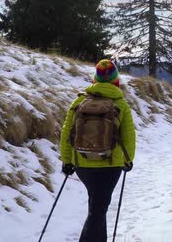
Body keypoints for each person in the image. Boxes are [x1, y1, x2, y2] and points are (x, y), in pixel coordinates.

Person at [60, 59, 136, 242]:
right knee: (98, 209)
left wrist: (67, 161)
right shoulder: (121, 103)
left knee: (97, 207)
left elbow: (66, 133)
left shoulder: (79, 101)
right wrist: (128, 159)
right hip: (111, 165)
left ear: (95, 80)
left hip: (83, 163)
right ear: (116, 81)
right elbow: (128, 135)